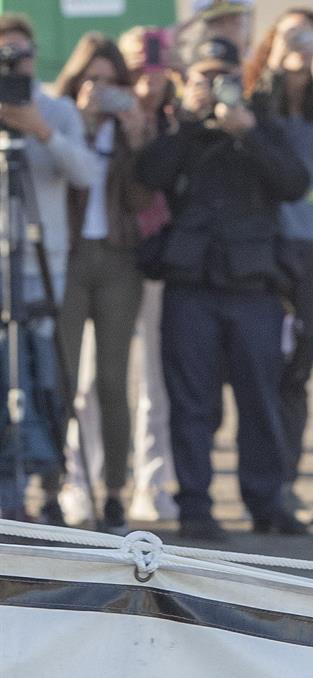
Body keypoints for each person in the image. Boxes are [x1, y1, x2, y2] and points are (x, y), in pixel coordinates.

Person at [134, 36, 311, 540]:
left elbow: (295, 182)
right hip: (191, 286)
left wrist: (248, 133)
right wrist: (188, 124)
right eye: (202, 78)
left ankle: (265, 501)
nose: (213, 88)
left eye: (223, 78)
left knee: (260, 399)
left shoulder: (262, 124)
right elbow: (150, 175)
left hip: (253, 287)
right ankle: (195, 504)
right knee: (191, 404)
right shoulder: (179, 132)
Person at [245, 8, 313, 526]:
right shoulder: (258, 99)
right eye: (291, 35)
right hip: (269, 244)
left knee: (299, 368)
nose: (302, 45)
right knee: (263, 366)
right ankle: (266, 487)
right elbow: (254, 127)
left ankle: (287, 482)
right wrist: (276, 69)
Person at [0, 13, 100, 523]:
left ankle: (50, 479)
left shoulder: (56, 109)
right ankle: (8, 486)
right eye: (6, 56)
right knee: (3, 373)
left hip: (44, 264)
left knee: (43, 373)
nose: (17, 64)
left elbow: (86, 174)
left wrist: (41, 132)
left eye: (23, 54)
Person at [52, 34, 153, 535]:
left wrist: (135, 141)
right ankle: (57, 484)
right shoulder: (59, 122)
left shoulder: (131, 128)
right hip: (69, 259)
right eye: (91, 80)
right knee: (63, 377)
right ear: (75, 82)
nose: (100, 90)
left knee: (113, 380)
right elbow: (59, 181)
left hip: (118, 259)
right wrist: (83, 125)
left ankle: (115, 490)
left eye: (111, 82)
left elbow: (141, 201)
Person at [119, 26, 180, 524]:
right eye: (139, 70)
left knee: (154, 381)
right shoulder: (104, 114)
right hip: (111, 257)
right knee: (95, 380)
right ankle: (88, 478)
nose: (148, 82)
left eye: (157, 71)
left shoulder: (175, 119)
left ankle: (151, 480)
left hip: (161, 260)